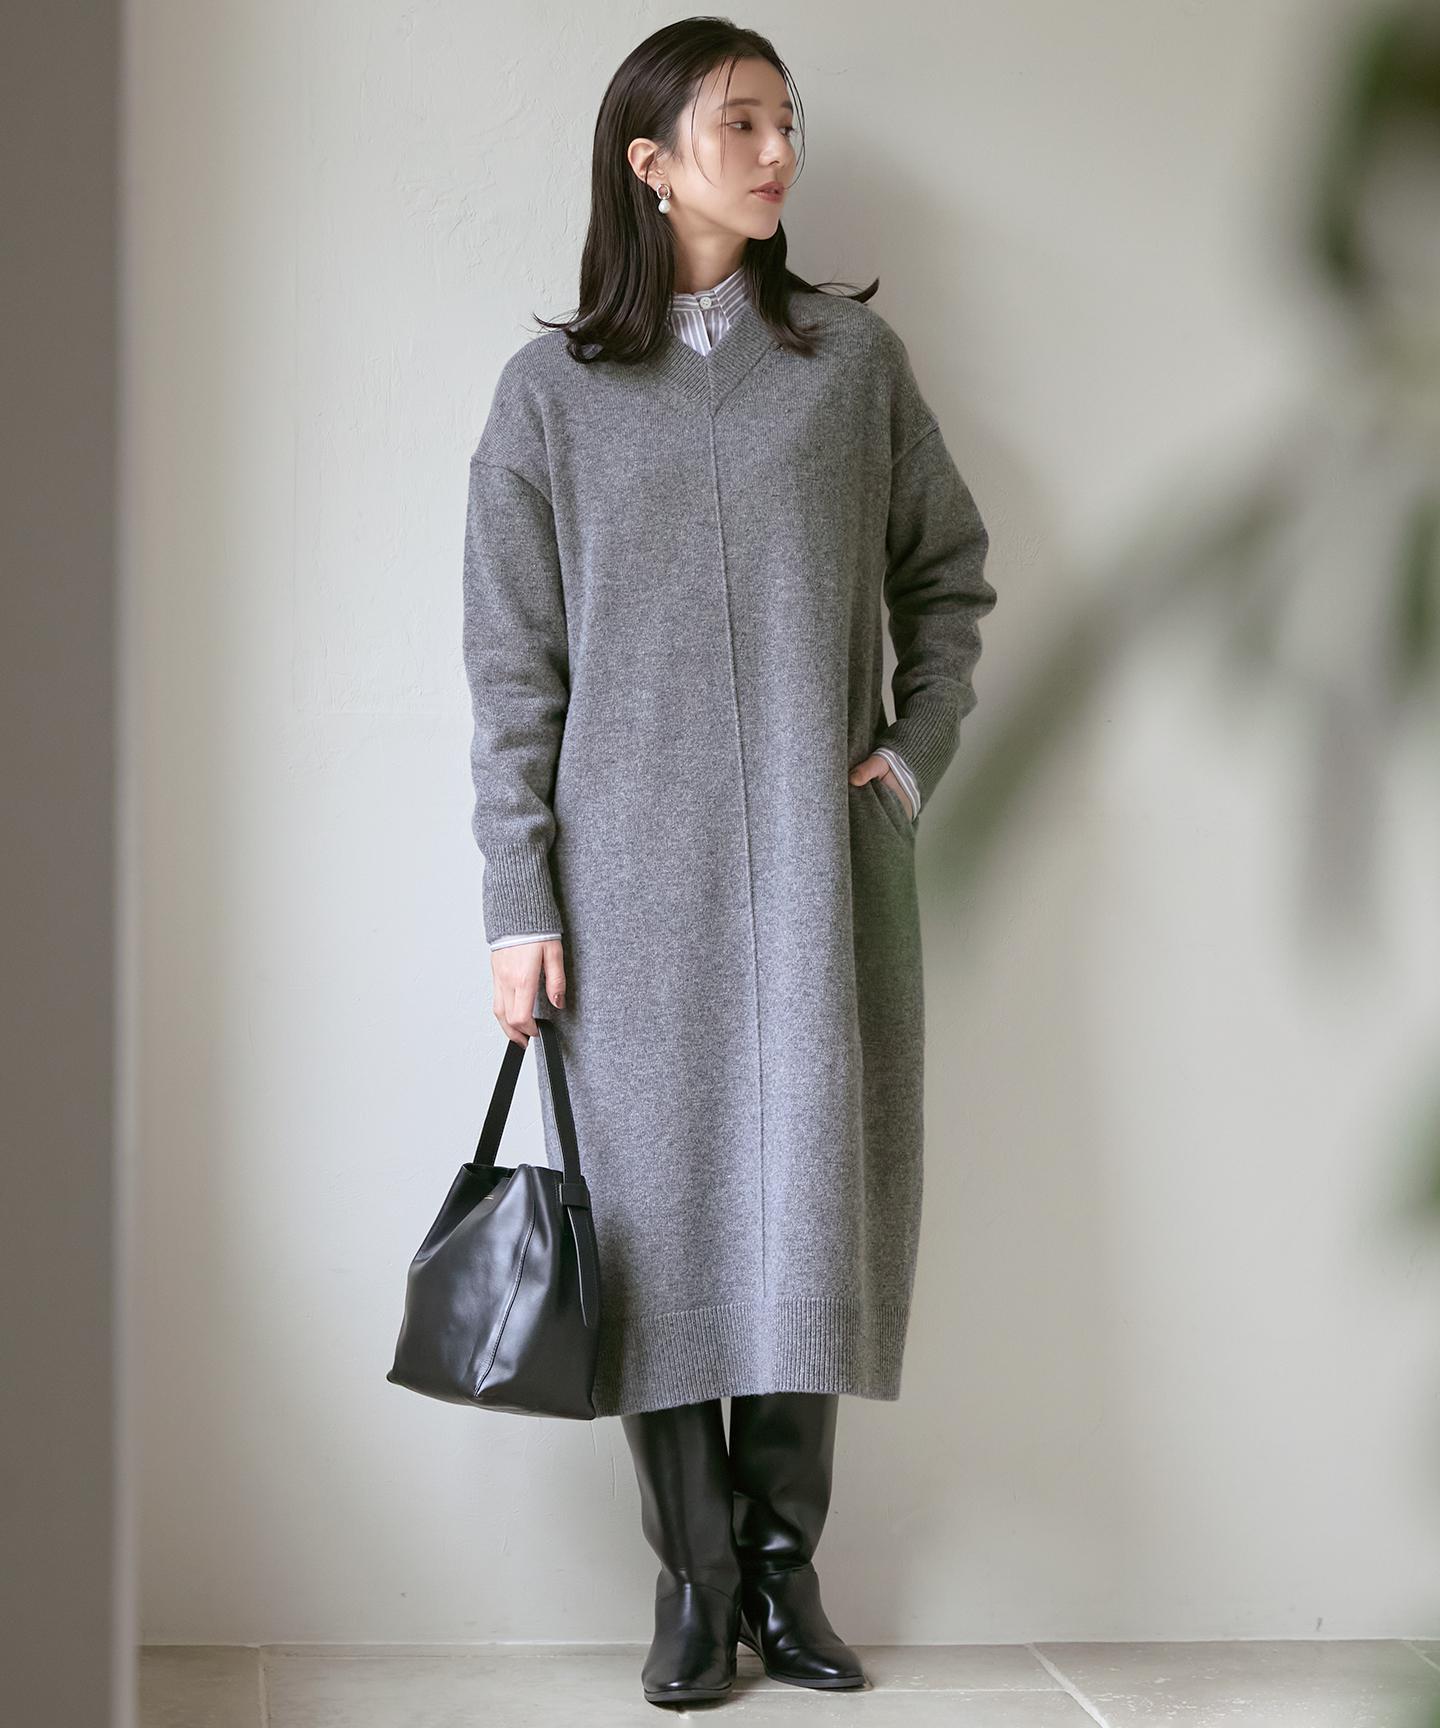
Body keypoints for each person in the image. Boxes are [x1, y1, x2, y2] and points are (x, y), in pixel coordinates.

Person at [461, 18, 996, 1709]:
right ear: (650, 162)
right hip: (624, 894)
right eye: (740, 124)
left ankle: (784, 1570)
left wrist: (906, 761)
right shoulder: (548, 400)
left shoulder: (850, 367)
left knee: (806, 1211)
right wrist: (517, 900)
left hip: (821, 880)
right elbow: (512, 677)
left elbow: (948, 579)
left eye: (787, 122)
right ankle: (693, 1583)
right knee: (655, 1226)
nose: (778, 153)